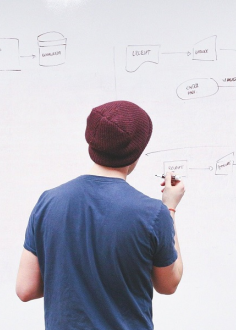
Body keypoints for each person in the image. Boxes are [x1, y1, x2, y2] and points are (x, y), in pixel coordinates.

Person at [16, 100, 185, 329]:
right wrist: (170, 208)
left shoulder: (48, 202)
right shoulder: (153, 213)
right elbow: (168, 284)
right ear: (136, 152)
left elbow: (26, 289)